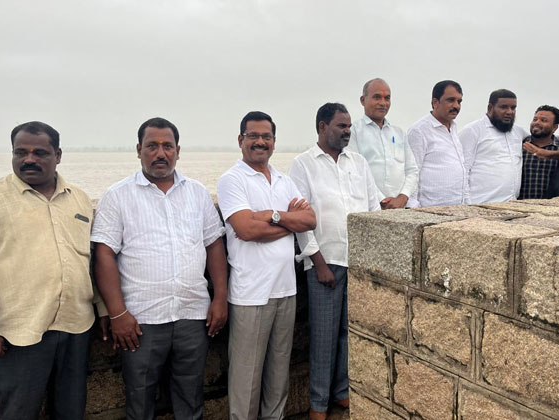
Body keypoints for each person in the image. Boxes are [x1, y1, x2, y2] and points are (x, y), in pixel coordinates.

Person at [92, 117, 228, 420]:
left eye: (167, 146)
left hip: (193, 315)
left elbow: (214, 245)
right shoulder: (118, 196)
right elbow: (103, 254)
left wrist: (220, 298)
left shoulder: (197, 193)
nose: (160, 153)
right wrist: (117, 314)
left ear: (178, 151)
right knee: (140, 402)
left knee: (190, 398)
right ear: (139, 150)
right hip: (140, 320)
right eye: (152, 146)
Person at [0, 121, 108, 419]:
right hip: (19, 333)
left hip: (76, 327)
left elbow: (87, 261)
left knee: (70, 412)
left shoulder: (77, 198)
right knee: (17, 413)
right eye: (20, 152)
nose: (29, 159)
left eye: (40, 152)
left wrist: (103, 309)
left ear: (58, 155)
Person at [216, 111, 316, 420]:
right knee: (246, 380)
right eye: (253, 136)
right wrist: (289, 222)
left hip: (285, 290)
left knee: (278, 375)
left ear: (274, 141)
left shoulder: (285, 180)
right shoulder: (232, 180)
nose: (260, 142)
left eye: (266, 136)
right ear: (240, 140)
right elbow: (246, 230)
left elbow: (310, 219)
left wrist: (271, 216)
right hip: (250, 294)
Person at [288, 103, 380, 420]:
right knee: (323, 338)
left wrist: (368, 259)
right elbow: (300, 220)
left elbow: (373, 211)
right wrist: (318, 262)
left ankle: (341, 393)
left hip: (356, 263)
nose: (347, 131)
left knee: (348, 334)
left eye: (349, 126)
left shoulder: (359, 163)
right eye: (341, 125)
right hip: (324, 265)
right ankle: (317, 404)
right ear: (323, 126)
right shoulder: (303, 165)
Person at [346, 78, 418, 209]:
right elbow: (356, 172)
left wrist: (402, 197)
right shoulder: (353, 132)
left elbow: (412, 170)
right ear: (363, 100)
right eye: (377, 97)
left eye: (387, 98)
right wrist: (383, 200)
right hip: (370, 206)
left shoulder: (399, 133)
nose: (383, 103)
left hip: (402, 207)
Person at [406, 80, 469, 207]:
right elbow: (412, 171)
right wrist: (413, 208)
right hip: (430, 210)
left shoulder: (454, 128)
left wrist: (468, 204)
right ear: (435, 102)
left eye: (459, 101)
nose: (456, 106)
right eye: (450, 100)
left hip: (459, 209)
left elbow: (462, 169)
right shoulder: (419, 130)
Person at [459, 89, 528, 204]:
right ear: (490, 108)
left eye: (513, 108)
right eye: (503, 107)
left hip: (511, 205)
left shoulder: (518, 132)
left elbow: (541, 140)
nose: (509, 112)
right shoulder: (473, 131)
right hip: (479, 205)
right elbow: (462, 170)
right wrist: (466, 203)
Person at [519, 105, 559, 199]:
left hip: (552, 208)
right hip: (519, 206)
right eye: (535, 119)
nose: (537, 123)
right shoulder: (519, 145)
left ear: (554, 127)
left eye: (544, 120)